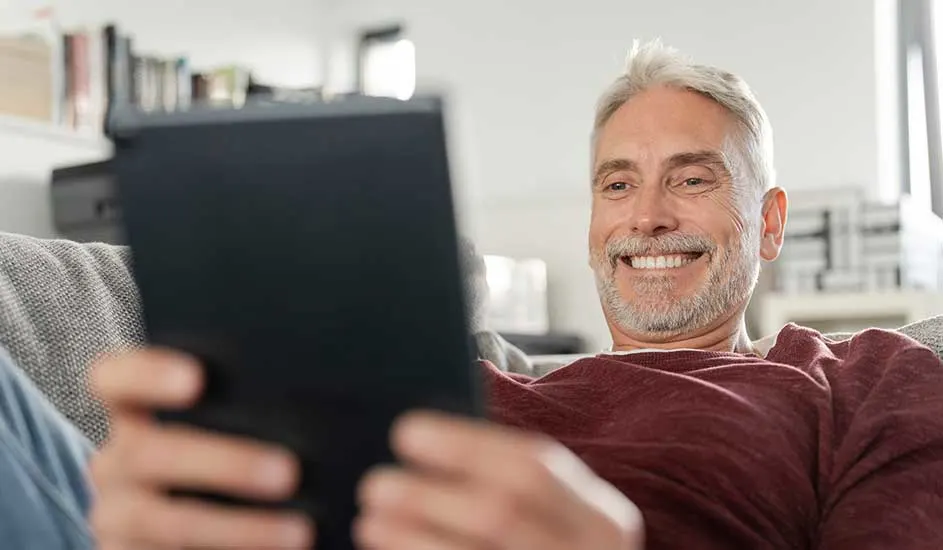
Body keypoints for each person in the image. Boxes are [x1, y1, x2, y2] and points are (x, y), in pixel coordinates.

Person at [0, 39, 941, 549]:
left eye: (691, 179)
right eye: (616, 184)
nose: (645, 217)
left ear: (769, 222)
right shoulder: (467, 378)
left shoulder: (861, 381)